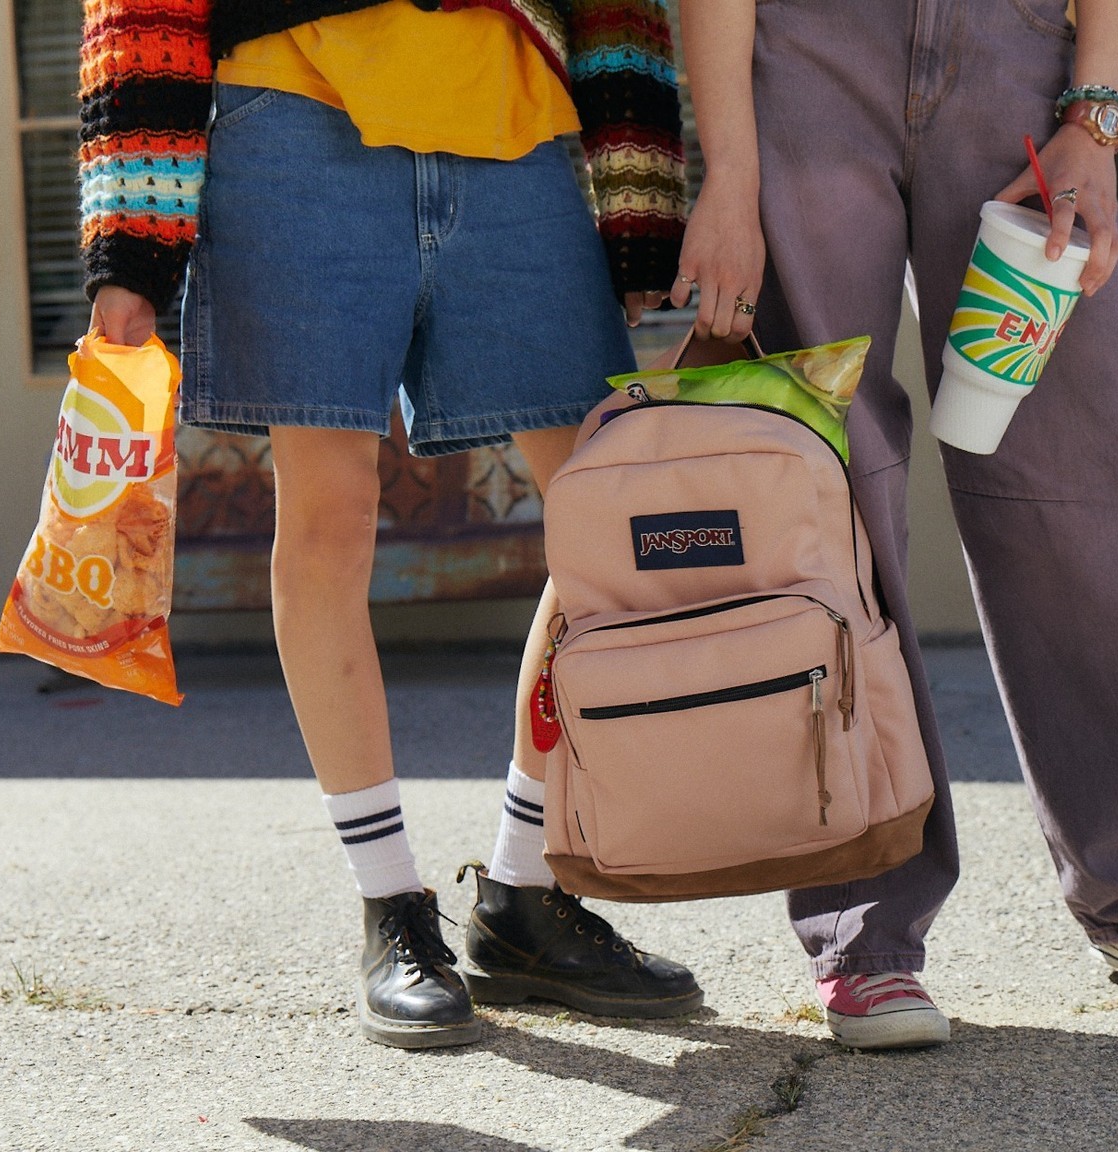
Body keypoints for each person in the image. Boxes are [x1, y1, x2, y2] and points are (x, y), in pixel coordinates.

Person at [78, 0, 702, 1050]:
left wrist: (638, 191)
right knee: (328, 523)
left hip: (516, 120)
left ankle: (522, 892)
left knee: (605, 519)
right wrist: (129, 241)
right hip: (289, 120)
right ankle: (391, 904)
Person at [671, 0, 1118, 1050]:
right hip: (809, 58)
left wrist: (1094, 114)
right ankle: (864, 930)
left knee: (1091, 487)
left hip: (1021, 59)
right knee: (833, 498)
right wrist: (730, 170)